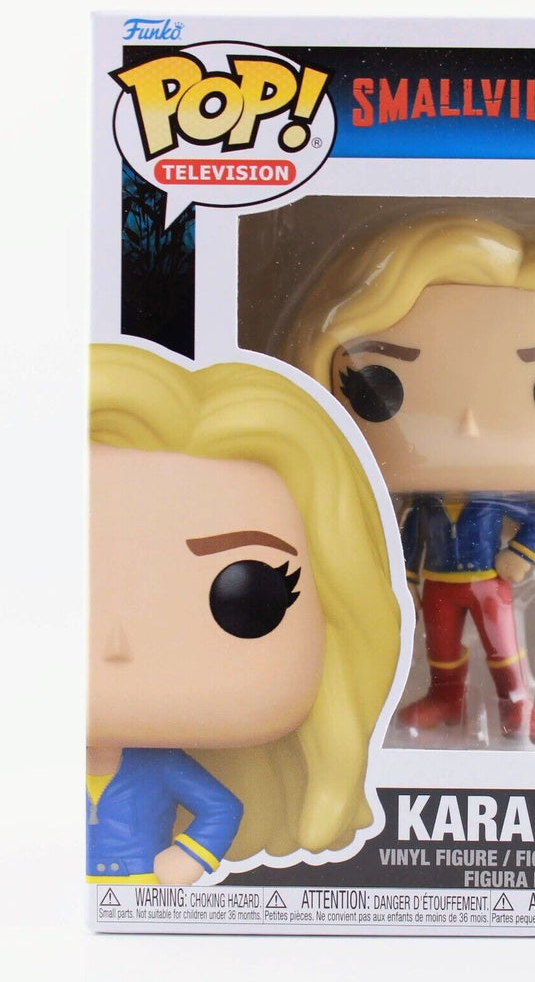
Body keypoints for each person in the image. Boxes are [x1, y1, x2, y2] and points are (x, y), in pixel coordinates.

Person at [288, 215, 535, 747]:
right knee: (441, 646)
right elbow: (406, 537)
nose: (468, 424)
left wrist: (523, 556)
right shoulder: (421, 508)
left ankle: (520, 705)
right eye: (380, 386)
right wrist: (405, 578)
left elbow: (534, 521)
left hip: (489, 583)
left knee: (504, 648)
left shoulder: (497, 503)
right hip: (438, 585)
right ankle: (446, 698)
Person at [88, 344, 401, 882]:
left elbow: (221, 809)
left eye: (249, 598)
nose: (119, 643)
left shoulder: (159, 765)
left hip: (145, 884)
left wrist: (190, 857)